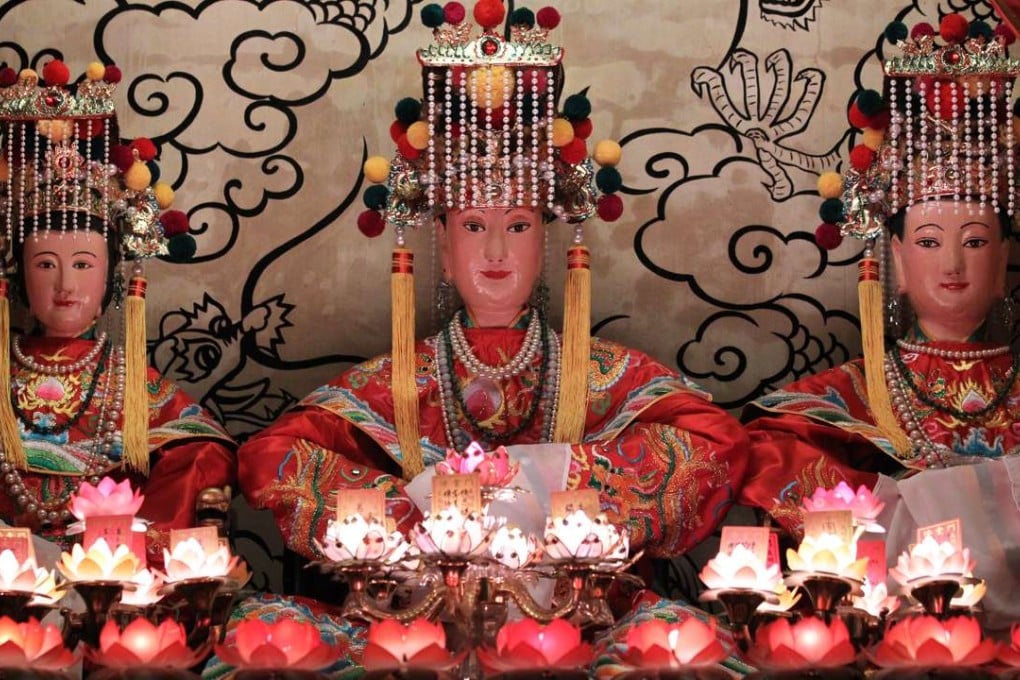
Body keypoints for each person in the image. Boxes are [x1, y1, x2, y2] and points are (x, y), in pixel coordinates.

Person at [229, 0, 750, 675]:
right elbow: (271, 454)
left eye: (520, 225)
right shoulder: (402, 378)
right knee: (265, 627)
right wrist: (414, 516)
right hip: (414, 617)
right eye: (473, 226)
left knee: (678, 643)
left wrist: (556, 489)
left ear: (549, 240)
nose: (496, 250)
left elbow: (718, 442)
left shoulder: (598, 372)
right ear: (442, 250)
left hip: (579, 614)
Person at [739, 10, 1020, 628]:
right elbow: (767, 456)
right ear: (893, 257)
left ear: (1003, 261)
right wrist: (900, 507)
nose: (951, 263)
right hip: (900, 630)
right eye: (926, 242)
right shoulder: (859, 391)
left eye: (974, 242)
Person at [0, 59, 236, 564]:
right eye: (45, 264)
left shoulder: (129, 384)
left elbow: (202, 450)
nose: (66, 285)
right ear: (19, 272)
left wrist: (133, 539)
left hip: (109, 567)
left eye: (83, 264)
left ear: (112, 276)